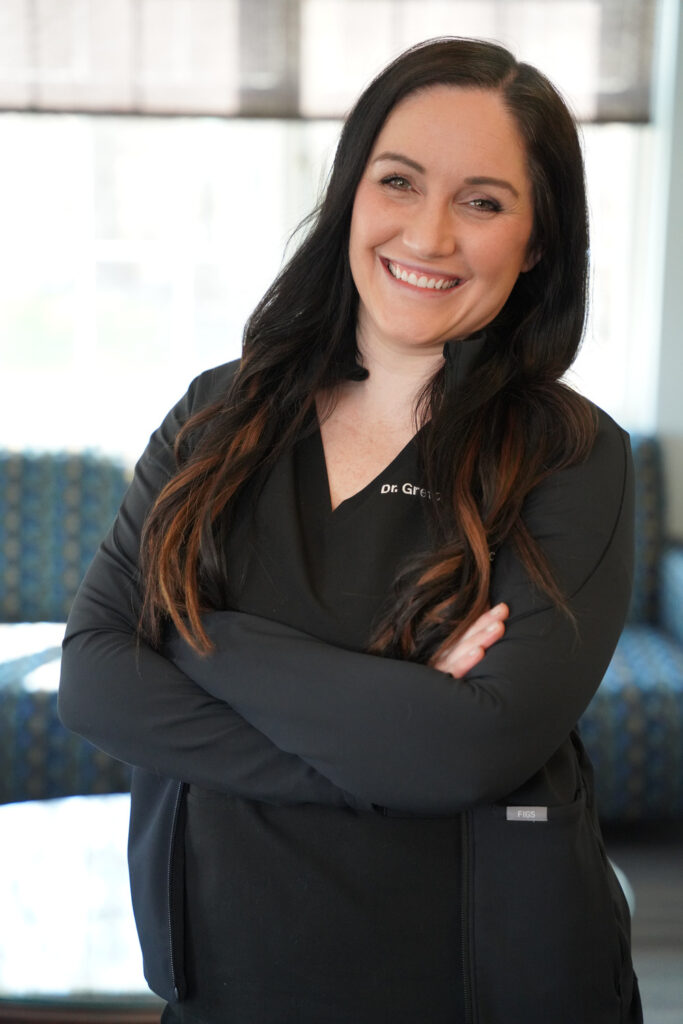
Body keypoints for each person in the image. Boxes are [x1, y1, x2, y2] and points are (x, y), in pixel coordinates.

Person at [58, 36, 642, 1024]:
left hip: (472, 990)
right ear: (350, 193)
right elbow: (95, 680)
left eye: (483, 201)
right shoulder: (218, 415)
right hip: (224, 981)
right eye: (398, 181)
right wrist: (385, 730)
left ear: (536, 240)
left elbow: (461, 754)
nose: (428, 233)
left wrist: (204, 637)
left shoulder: (570, 455)